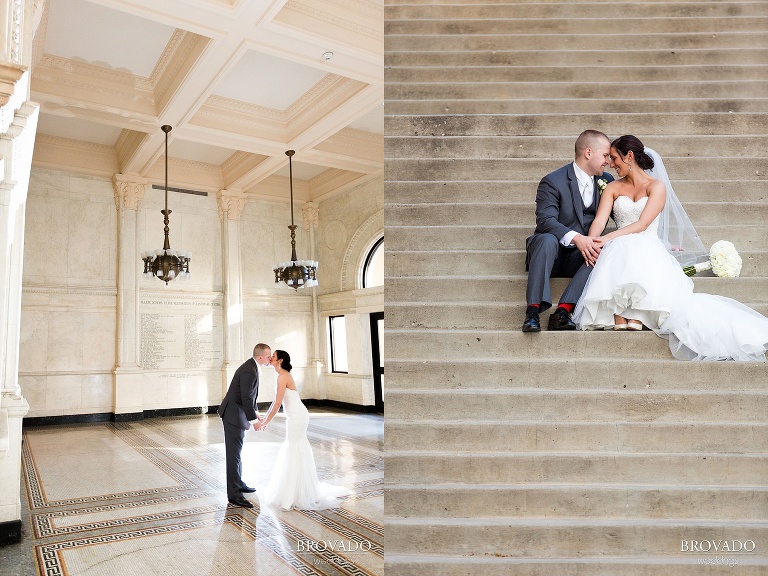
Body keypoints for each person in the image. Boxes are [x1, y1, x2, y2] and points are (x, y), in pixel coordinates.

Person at [573, 135, 768, 361]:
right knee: (621, 248)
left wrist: (608, 239)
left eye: (615, 158)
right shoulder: (612, 188)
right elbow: (599, 221)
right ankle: (620, 311)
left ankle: (636, 312)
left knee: (633, 246)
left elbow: (643, 224)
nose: (611, 164)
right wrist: (592, 241)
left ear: (629, 156)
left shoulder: (657, 187)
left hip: (644, 243)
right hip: (620, 245)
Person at [523, 130, 614, 332]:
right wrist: (577, 238)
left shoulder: (606, 181)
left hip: (582, 258)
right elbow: (545, 220)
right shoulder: (553, 181)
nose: (608, 161)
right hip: (550, 254)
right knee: (545, 239)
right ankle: (532, 312)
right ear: (588, 153)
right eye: (605, 155)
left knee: (605, 249)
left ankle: (563, 311)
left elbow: (628, 217)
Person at [255, 350, 350, 510]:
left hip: (298, 417)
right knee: (293, 448)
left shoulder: (283, 376)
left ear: (280, 360)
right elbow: (275, 402)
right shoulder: (281, 375)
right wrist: (264, 419)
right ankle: (294, 490)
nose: (270, 358)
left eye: (274, 356)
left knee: (294, 447)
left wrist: (266, 422)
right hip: (294, 417)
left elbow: (277, 404)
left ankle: (296, 493)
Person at [217, 343, 272, 508]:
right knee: (233, 455)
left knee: (237, 453)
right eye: (269, 356)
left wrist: (254, 413)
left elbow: (248, 396)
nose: (271, 358)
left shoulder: (252, 366)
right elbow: (246, 397)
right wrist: (255, 422)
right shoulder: (249, 370)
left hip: (236, 414)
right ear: (260, 357)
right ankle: (234, 495)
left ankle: (238, 483)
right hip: (233, 416)